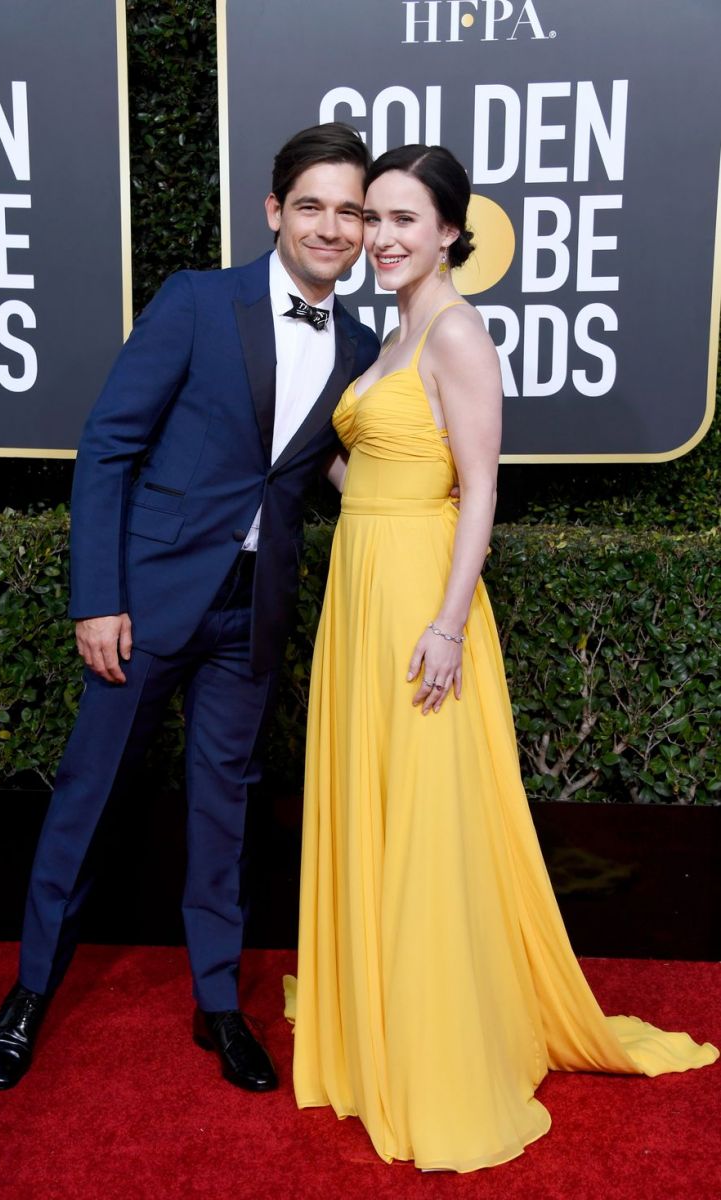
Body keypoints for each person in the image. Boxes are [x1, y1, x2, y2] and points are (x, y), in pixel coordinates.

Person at [288, 144, 718, 1172]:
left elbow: (478, 488)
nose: (379, 238)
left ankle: (435, 1038)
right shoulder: (388, 332)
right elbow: (377, 472)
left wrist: (444, 625)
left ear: (448, 233)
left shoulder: (458, 331)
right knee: (378, 799)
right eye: (371, 220)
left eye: (402, 221)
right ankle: (378, 1010)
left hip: (419, 601)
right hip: (364, 582)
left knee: (428, 816)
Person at [0, 122, 380, 1093]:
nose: (333, 227)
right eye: (315, 205)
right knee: (89, 792)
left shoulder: (364, 342)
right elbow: (109, 444)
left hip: (255, 611)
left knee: (225, 812)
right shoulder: (199, 301)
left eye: (353, 211)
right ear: (275, 210)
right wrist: (100, 598)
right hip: (147, 601)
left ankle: (217, 1005)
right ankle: (31, 991)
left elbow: (327, 469)